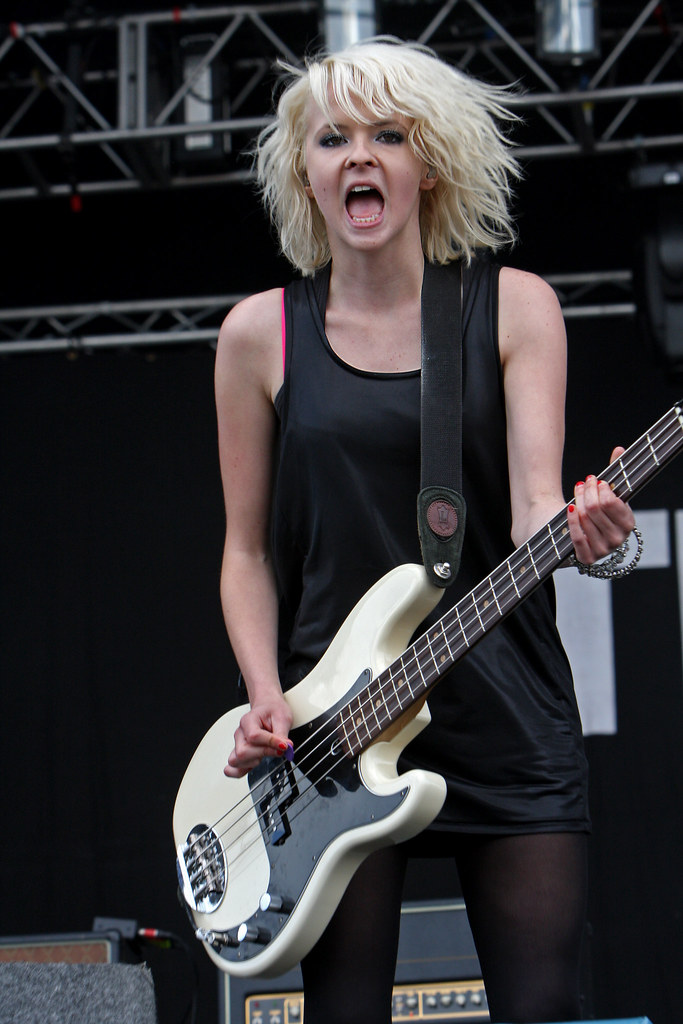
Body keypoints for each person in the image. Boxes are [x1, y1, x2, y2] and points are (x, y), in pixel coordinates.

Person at [215, 37, 635, 1024]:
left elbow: (541, 512)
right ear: (303, 173)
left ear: (427, 163)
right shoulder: (256, 335)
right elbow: (243, 552)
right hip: (335, 729)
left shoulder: (513, 307)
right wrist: (266, 695)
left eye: (388, 135)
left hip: (507, 710)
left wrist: (604, 539)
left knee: (540, 1007)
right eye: (332, 138)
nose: (359, 156)